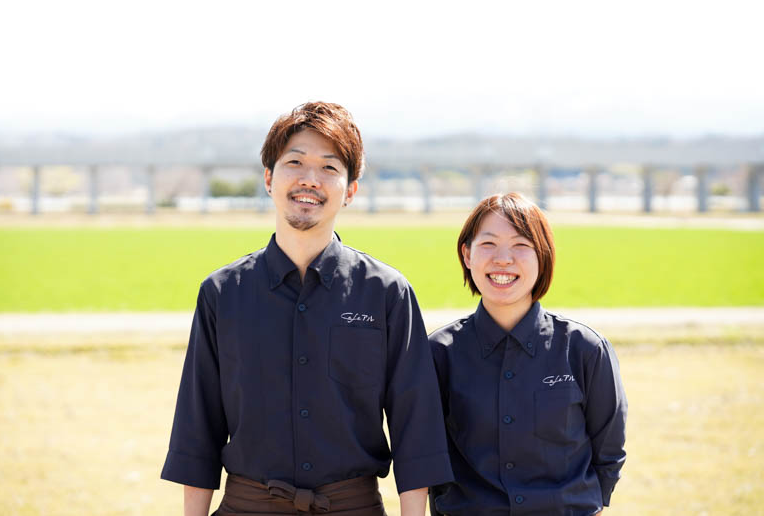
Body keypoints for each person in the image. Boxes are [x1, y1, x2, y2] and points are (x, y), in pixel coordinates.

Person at [162, 101, 453, 516]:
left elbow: (415, 425)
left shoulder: (387, 293)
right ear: (268, 178)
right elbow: (198, 426)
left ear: (350, 190)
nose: (309, 179)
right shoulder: (222, 293)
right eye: (294, 162)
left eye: (330, 168)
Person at [429, 193, 627, 516]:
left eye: (521, 245)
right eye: (488, 244)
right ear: (467, 254)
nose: (503, 259)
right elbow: (427, 455)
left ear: (542, 256)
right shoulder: (438, 353)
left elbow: (609, 449)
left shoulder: (584, 349)